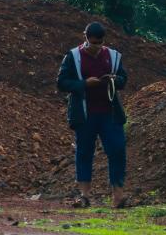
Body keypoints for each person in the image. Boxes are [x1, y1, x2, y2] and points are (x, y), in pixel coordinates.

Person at [57, 21, 129, 209]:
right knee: (84, 153)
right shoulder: (73, 56)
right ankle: (84, 196)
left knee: (117, 150)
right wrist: (84, 84)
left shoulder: (113, 56)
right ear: (85, 38)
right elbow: (62, 82)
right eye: (92, 43)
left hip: (109, 113)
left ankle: (118, 196)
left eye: (99, 43)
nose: (96, 47)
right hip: (85, 114)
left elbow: (124, 79)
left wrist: (115, 79)